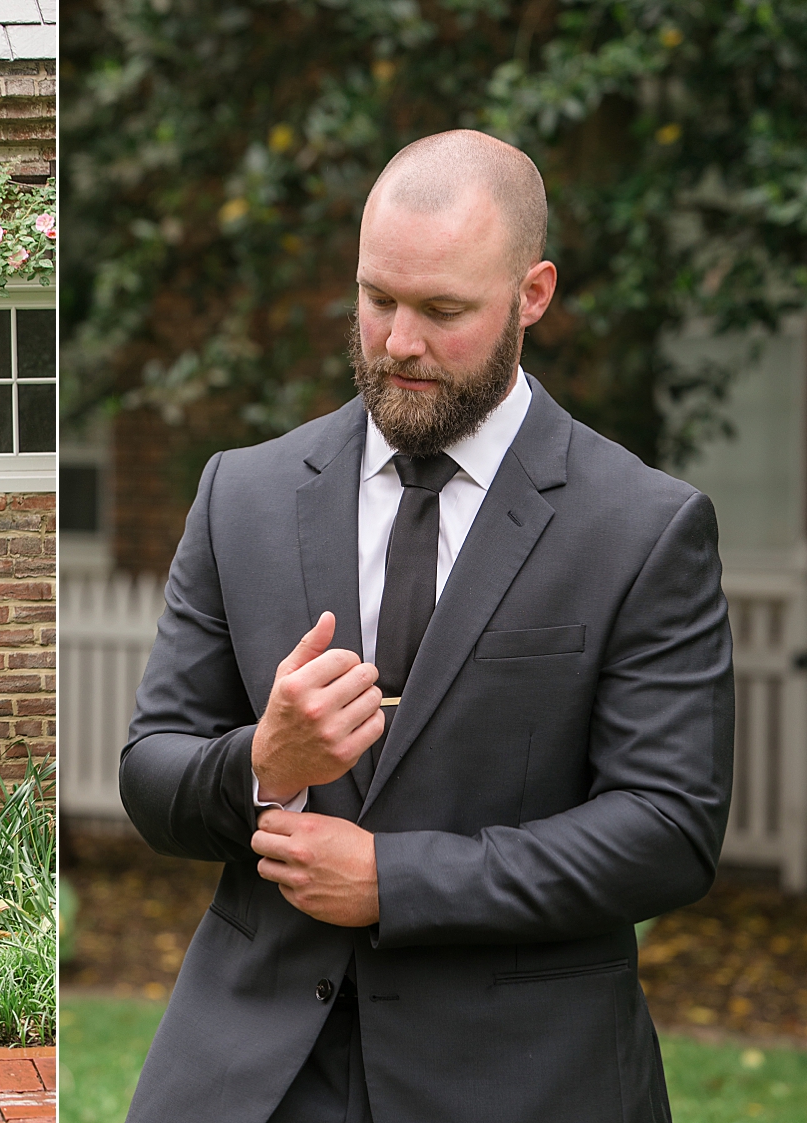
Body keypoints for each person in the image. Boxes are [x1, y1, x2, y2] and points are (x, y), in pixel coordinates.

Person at [119, 131, 733, 1123]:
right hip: (252, 1076)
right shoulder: (245, 493)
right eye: (377, 299)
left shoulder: (643, 526)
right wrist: (262, 765)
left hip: (523, 1077)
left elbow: (667, 832)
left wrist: (396, 881)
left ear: (533, 294)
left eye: (443, 310)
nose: (399, 340)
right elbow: (151, 770)